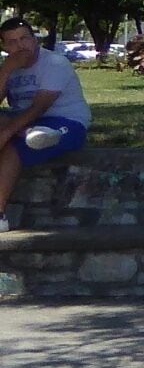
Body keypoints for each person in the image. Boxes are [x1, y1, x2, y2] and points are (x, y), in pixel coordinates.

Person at [0, 18, 90, 224]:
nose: (20, 46)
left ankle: (0, 215)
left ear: (35, 40)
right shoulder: (9, 67)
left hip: (65, 122)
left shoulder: (54, 63)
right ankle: (26, 133)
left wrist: (6, 134)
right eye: (12, 42)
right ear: (5, 47)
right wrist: (6, 70)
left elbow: (39, 107)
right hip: (23, 121)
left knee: (12, 147)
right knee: (15, 132)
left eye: (24, 38)